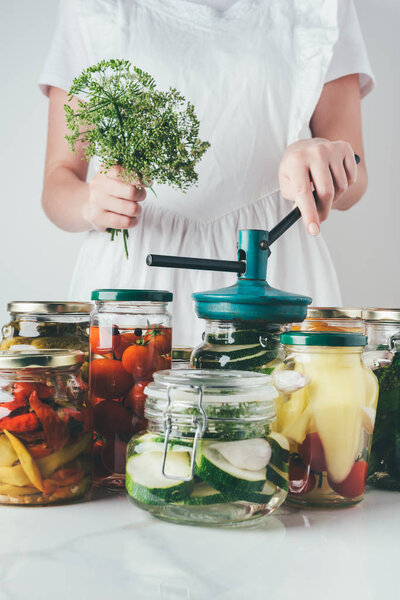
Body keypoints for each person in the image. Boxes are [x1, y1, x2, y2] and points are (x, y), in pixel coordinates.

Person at [39, 0, 374, 346]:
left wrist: (317, 159)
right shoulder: (92, 6)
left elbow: (355, 172)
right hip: (136, 290)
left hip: (275, 272)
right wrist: (90, 204)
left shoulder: (321, 6)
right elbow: (58, 180)